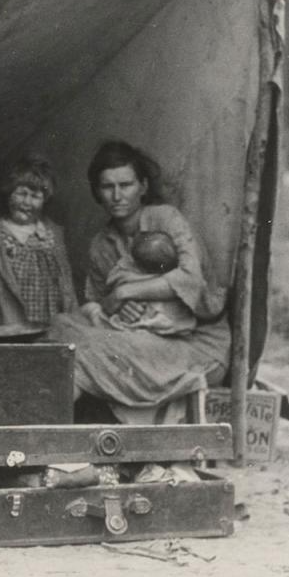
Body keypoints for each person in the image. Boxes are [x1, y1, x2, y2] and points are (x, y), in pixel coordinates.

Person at [47, 140, 230, 424]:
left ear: (143, 187)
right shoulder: (101, 244)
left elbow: (191, 280)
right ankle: (43, 430)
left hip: (194, 345)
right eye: (108, 187)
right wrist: (115, 307)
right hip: (138, 337)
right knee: (59, 328)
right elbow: (97, 303)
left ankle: (48, 432)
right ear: (97, 191)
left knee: (77, 354)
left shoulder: (166, 219)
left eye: (126, 184)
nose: (117, 195)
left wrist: (126, 291)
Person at [0, 154, 77, 339]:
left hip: (51, 322)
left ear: (45, 200)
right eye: (21, 193)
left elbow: (66, 284)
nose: (27, 202)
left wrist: (73, 316)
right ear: (10, 193)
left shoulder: (53, 234)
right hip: (12, 322)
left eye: (35, 196)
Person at [91, 230, 197, 337]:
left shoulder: (126, 274)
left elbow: (113, 281)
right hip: (171, 321)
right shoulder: (168, 274)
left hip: (143, 317)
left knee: (92, 310)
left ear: (138, 266)